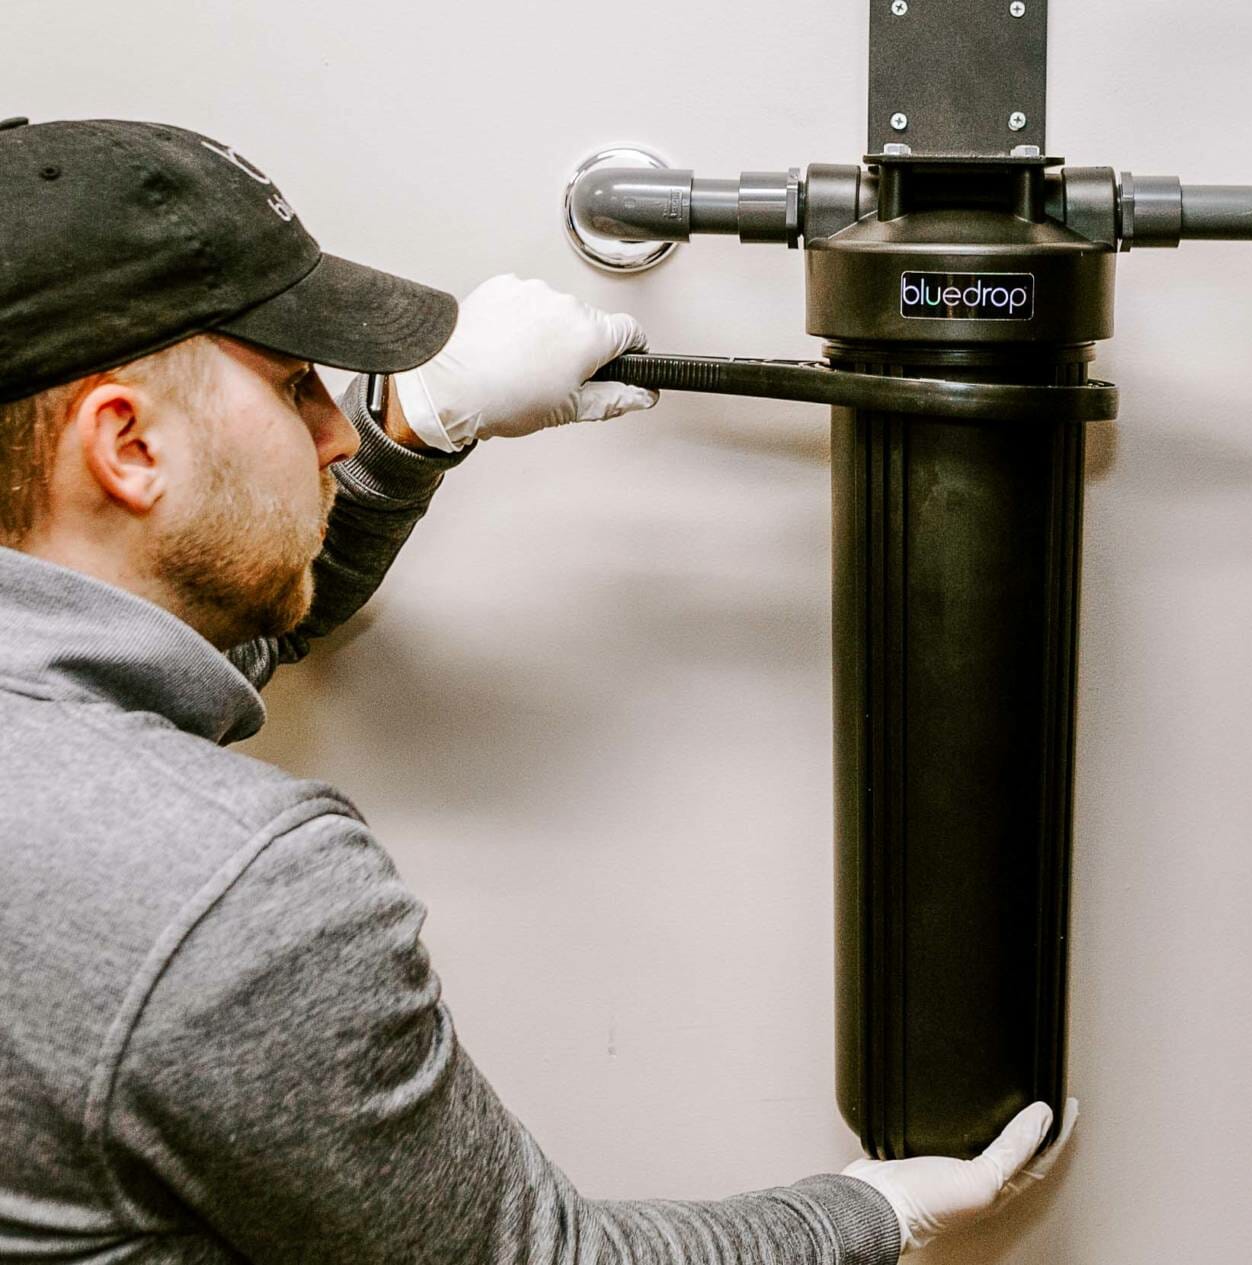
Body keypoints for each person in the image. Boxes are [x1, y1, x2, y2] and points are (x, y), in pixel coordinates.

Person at [0, 118, 1068, 1263]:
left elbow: (176, 649)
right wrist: (870, 1214)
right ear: (127, 445)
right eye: (298, 384)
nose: (328, 430)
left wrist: (415, 428)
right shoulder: (228, 898)